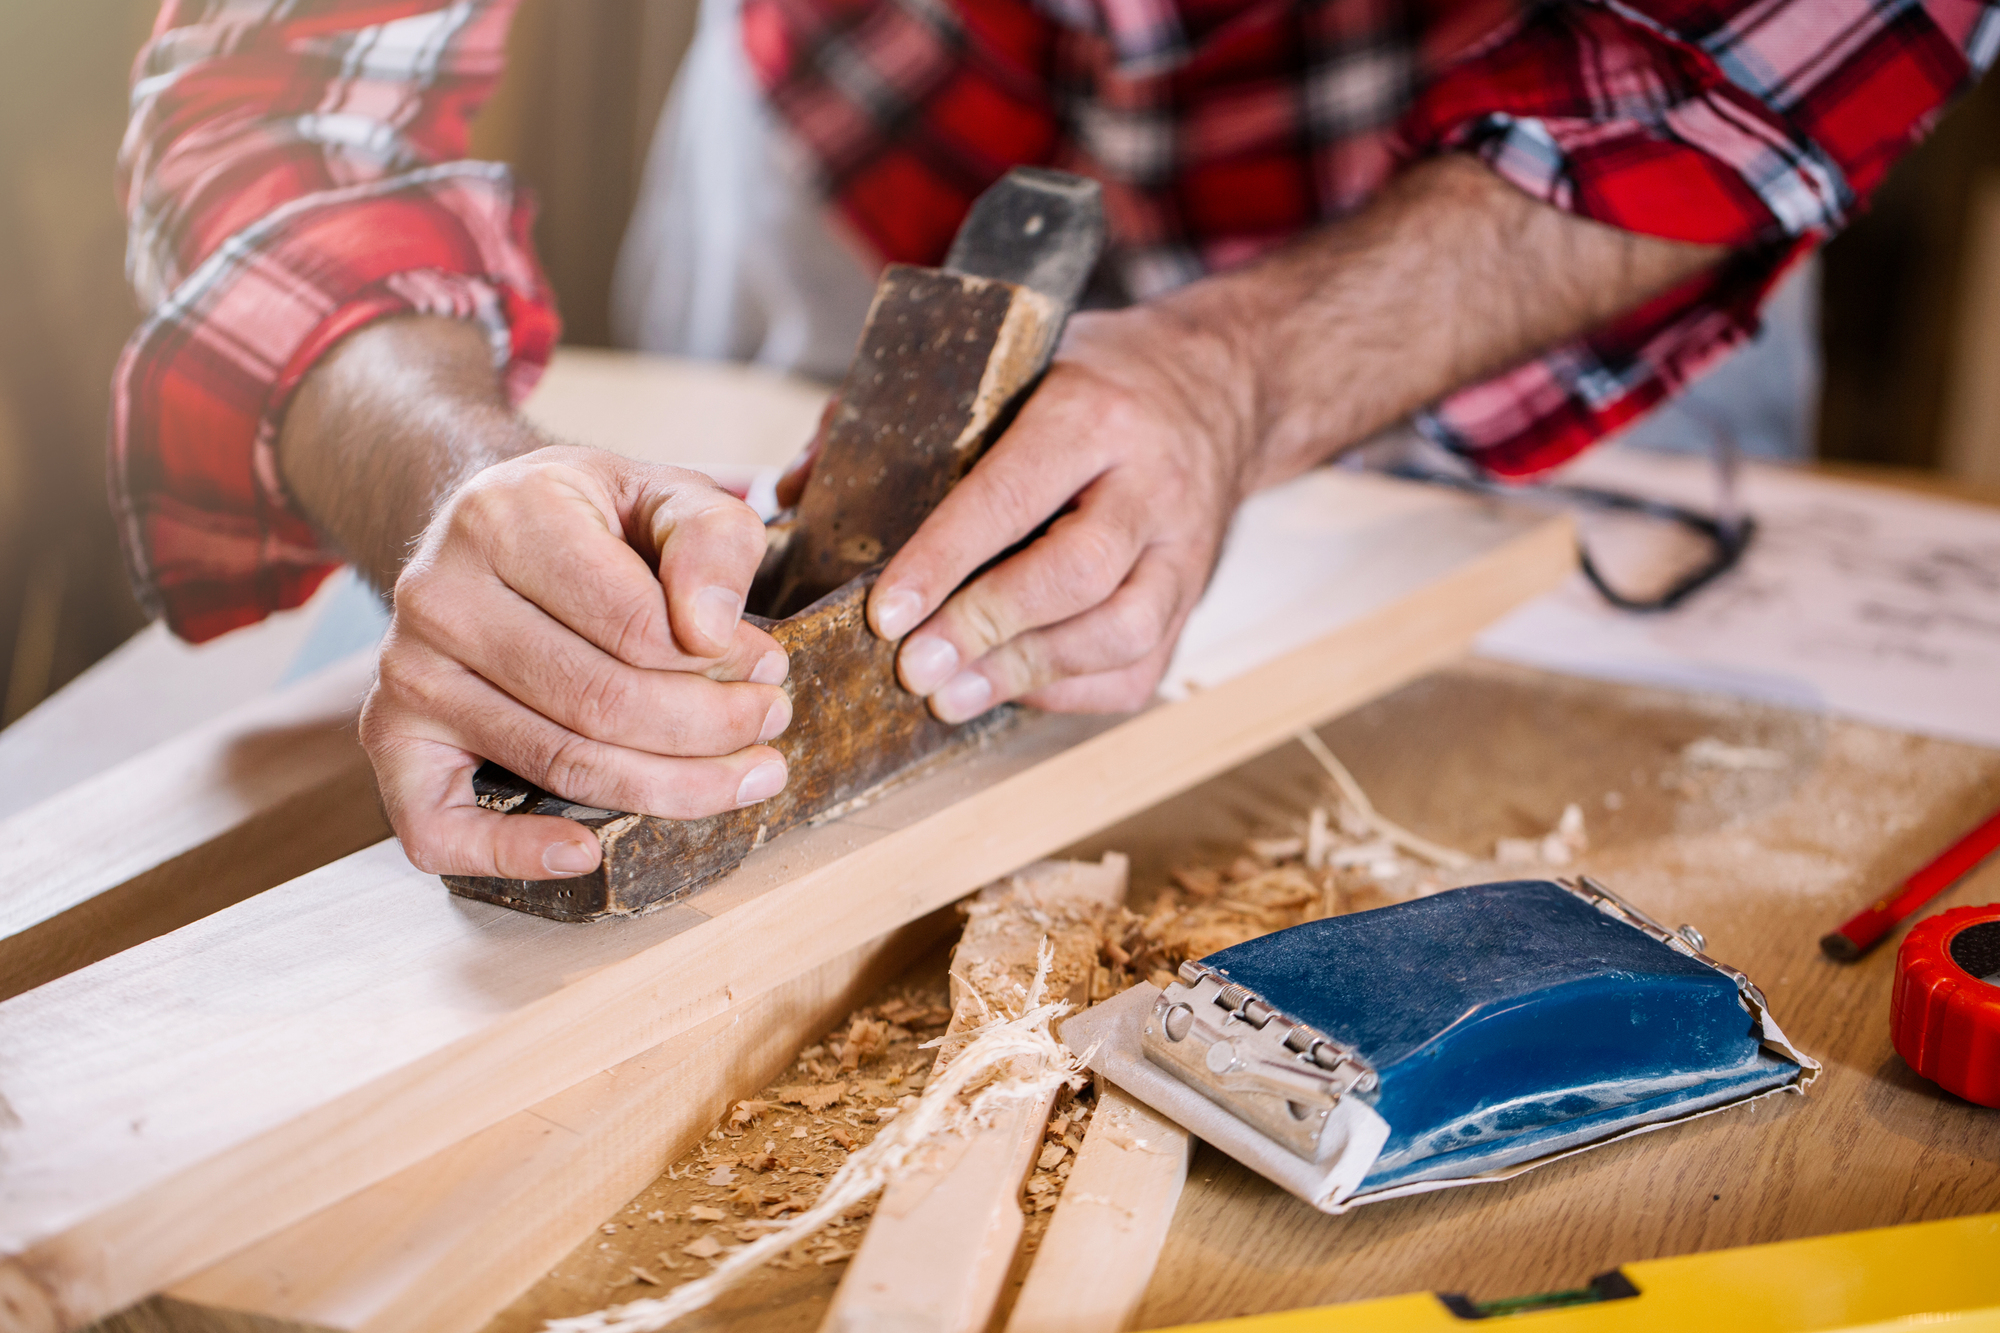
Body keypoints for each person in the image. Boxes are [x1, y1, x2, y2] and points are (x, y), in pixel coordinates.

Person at [113, 0, 1997, 883]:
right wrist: (442, 465)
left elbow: (1781, 48)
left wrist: (1246, 368)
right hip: (870, 135)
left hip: (1552, 215)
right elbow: (280, 95)